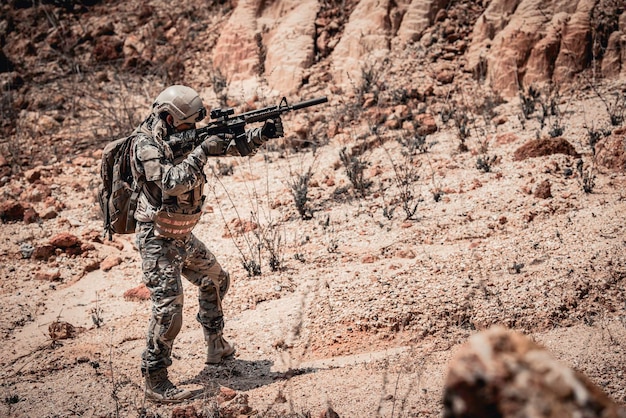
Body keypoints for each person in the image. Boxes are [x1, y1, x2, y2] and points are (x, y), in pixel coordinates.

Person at [129, 85, 283, 403]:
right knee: (169, 310)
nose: (193, 131)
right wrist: (202, 151)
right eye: (188, 125)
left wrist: (262, 134)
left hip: (181, 235)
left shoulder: (182, 133)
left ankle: (216, 347)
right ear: (169, 118)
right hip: (157, 239)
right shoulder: (146, 144)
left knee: (215, 280)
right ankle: (155, 379)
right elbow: (171, 183)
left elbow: (232, 146)